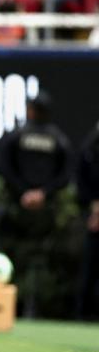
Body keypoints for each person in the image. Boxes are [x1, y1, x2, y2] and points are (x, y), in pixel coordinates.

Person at [0, 91, 72, 317]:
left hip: (21, 209)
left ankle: (10, 305)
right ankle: (31, 306)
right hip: (43, 210)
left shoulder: (17, 136)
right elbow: (65, 175)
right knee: (38, 260)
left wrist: (25, 193)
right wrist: (43, 194)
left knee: (14, 258)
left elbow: (5, 168)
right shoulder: (59, 139)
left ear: (32, 110)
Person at [75, 122, 99, 320]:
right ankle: (82, 314)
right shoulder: (90, 148)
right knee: (89, 268)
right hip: (93, 216)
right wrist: (93, 206)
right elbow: (81, 181)